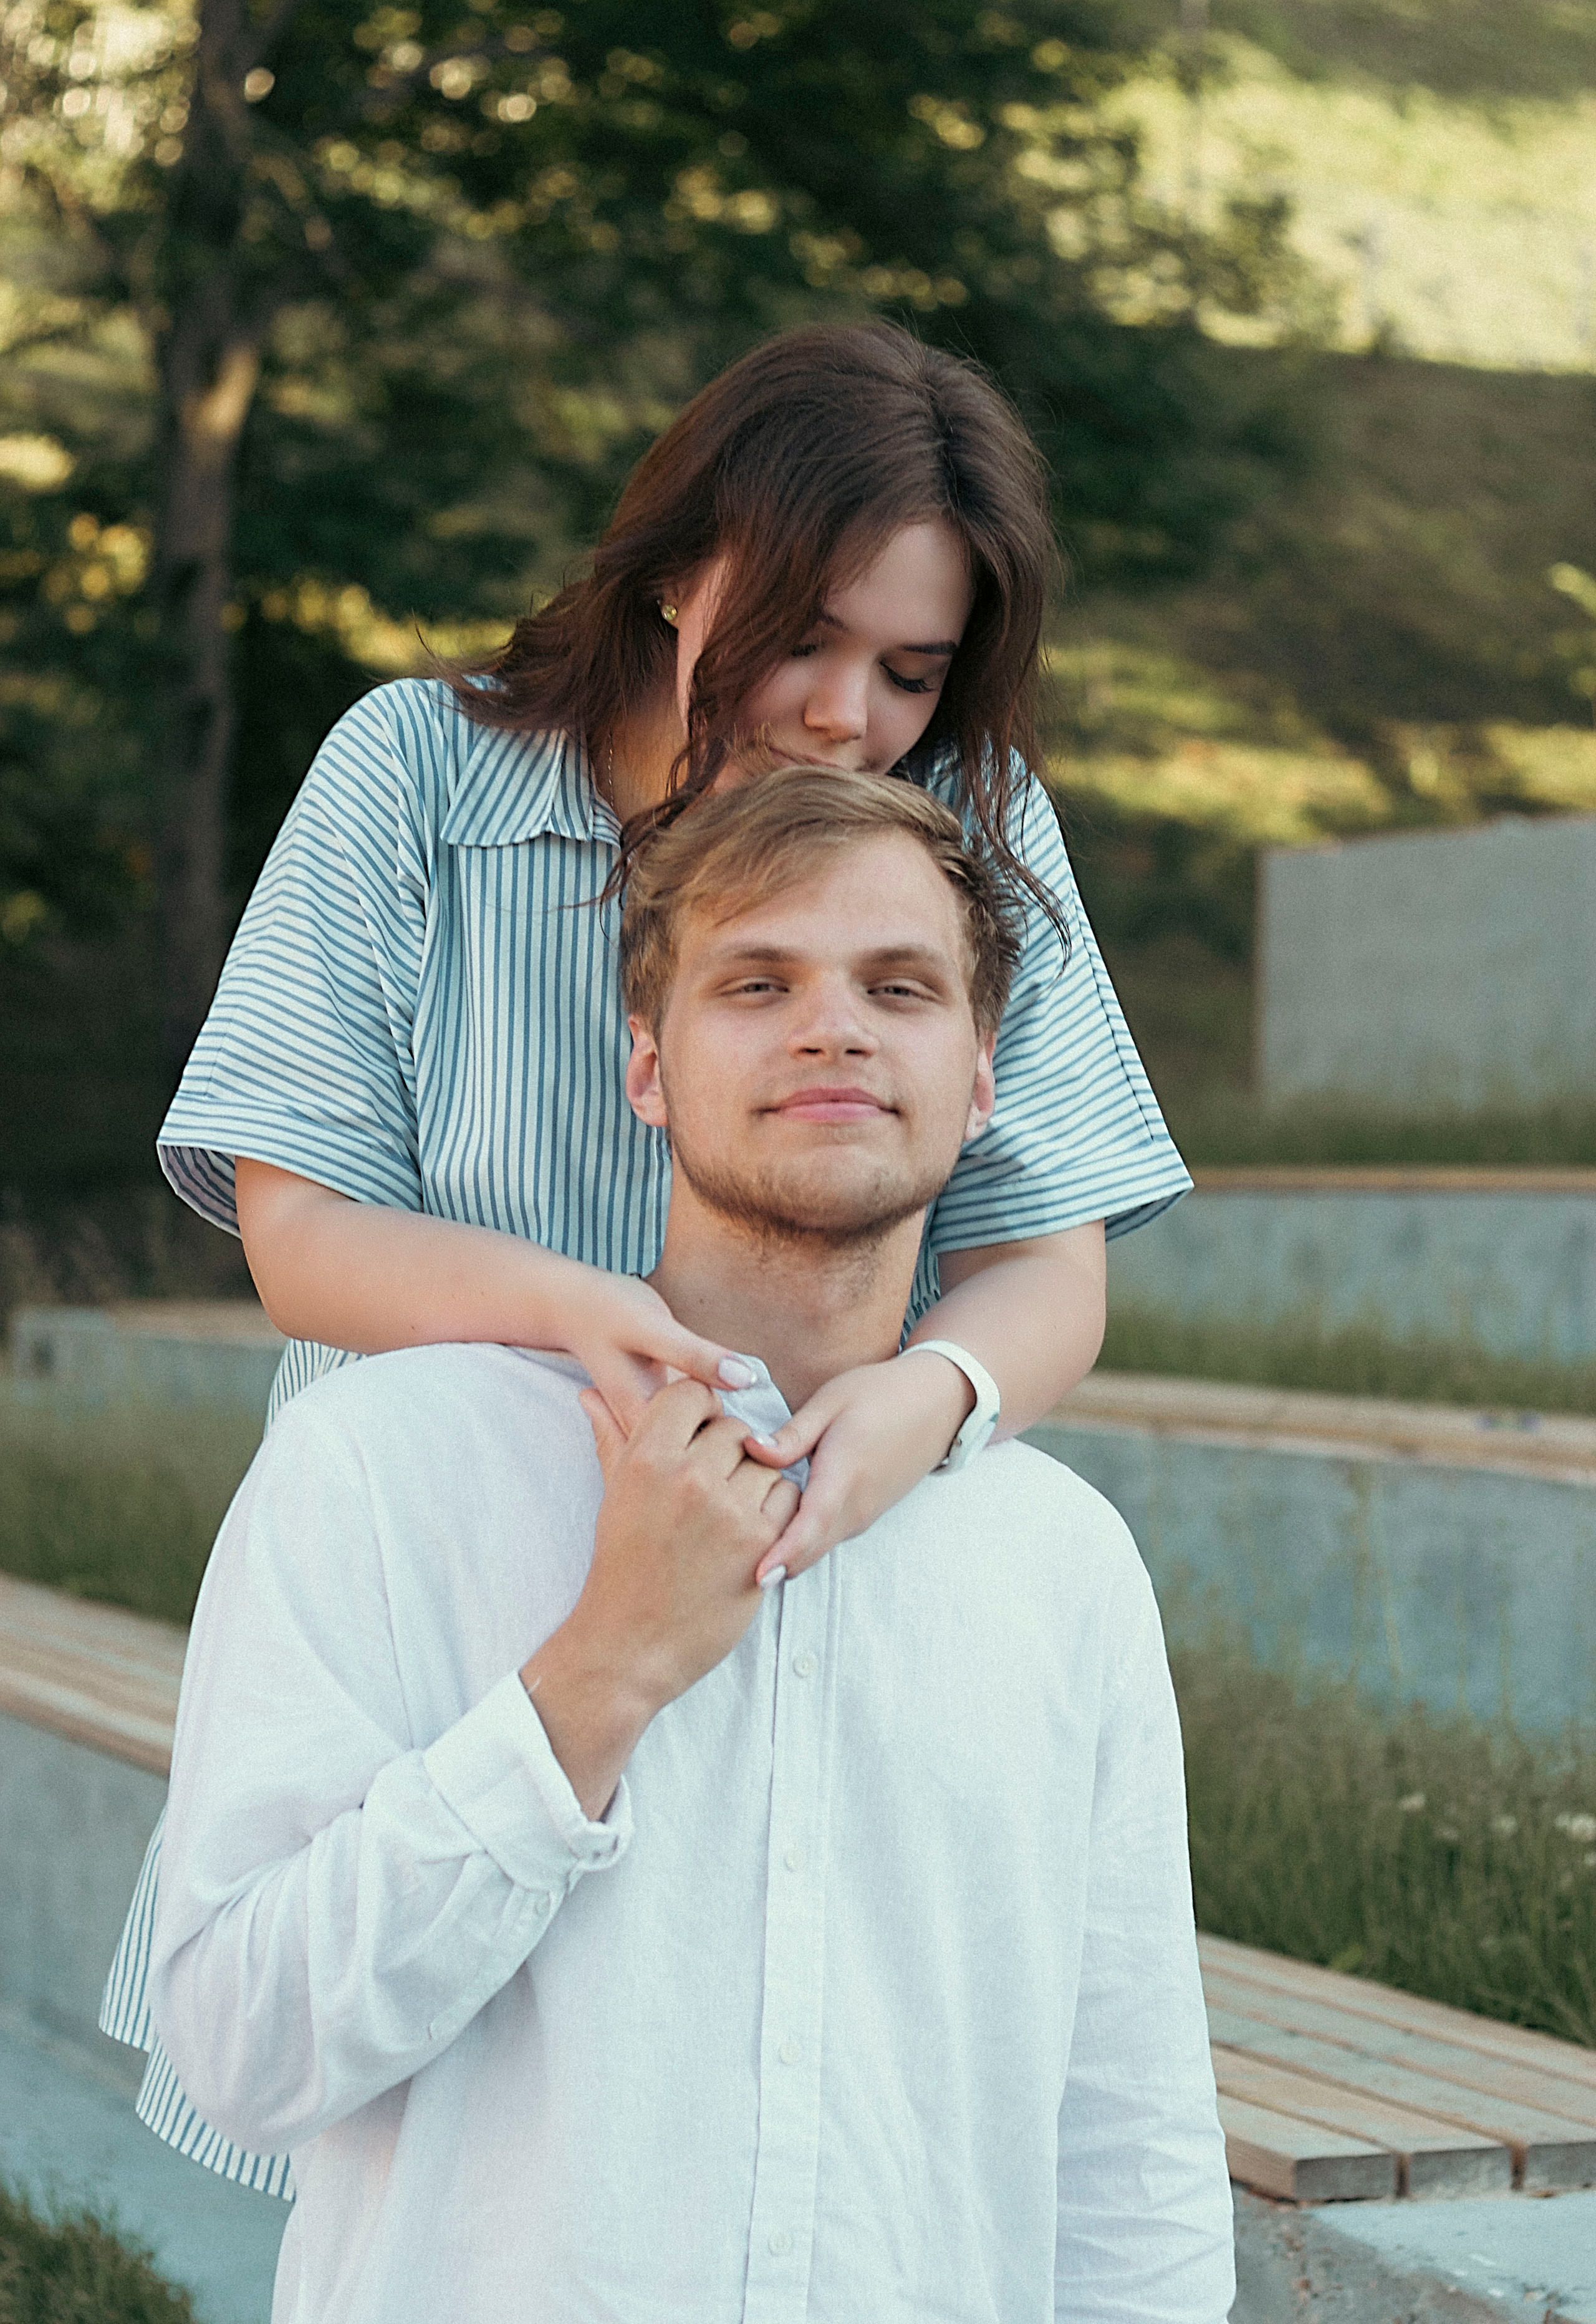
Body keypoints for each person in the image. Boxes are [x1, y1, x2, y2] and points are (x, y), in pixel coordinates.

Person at [104, 321, 1192, 2189]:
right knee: (424, 2175)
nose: (849, 715)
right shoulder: (418, 777)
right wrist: (595, 1321)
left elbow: (1050, 1264)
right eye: (803, 637)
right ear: (682, 570)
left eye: (912, 671)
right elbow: (299, 1234)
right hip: (452, 1582)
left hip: (817, 1572)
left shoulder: (975, 827)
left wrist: (926, 1406)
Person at [150, 770, 1234, 2323]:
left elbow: (1128, 2153)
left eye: (898, 987)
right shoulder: (383, 1467)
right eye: (758, 982)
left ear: (983, 1075)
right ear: (648, 1069)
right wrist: (599, 1676)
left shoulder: (1059, 1564)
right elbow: (240, 2054)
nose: (834, 1028)